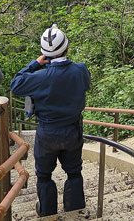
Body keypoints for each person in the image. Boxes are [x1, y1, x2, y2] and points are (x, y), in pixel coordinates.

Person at [10, 24, 91, 217]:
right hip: (72, 130)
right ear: (67, 48)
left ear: (44, 53)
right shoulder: (80, 70)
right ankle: (75, 211)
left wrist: (35, 64)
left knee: (44, 176)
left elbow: (16, 84)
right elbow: (85, 85)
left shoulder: (39, 76)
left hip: (47, 133)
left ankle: (48, 213)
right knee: (74, 172)